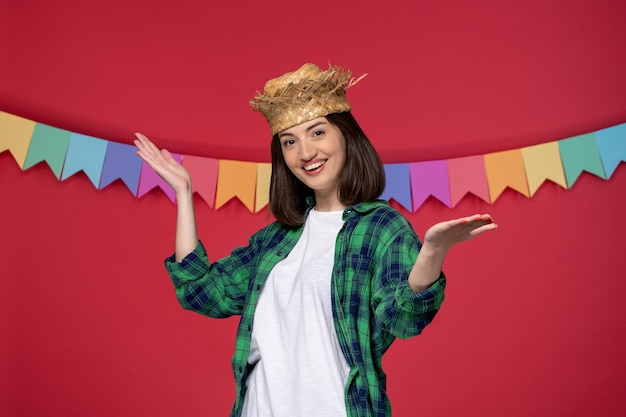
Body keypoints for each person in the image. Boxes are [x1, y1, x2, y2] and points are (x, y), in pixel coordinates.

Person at [134, 63, 497, 417]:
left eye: (318, 132)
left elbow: (402, 318)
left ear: (346, 135)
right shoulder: (275, 240)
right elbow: (202, 291)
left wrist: (433, 251)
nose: (305, 153)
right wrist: (183, 193)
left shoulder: (380, 228)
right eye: (290, 141)